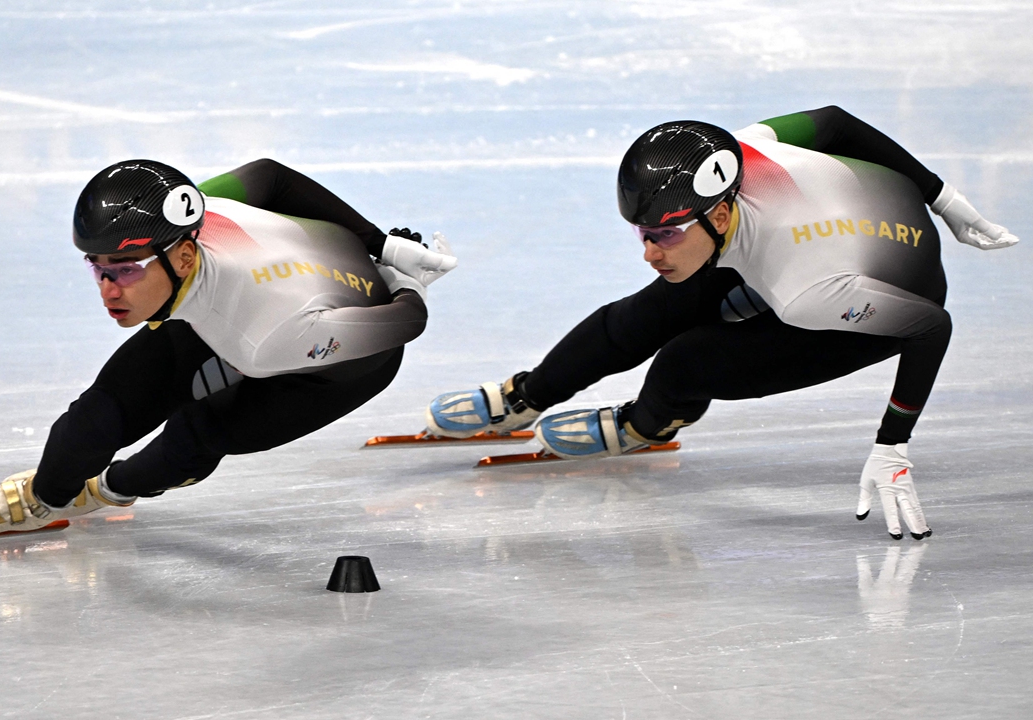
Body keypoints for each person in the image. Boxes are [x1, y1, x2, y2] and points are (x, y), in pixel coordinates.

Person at [426, 106, 1019, 540]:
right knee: (652, 308)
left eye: (663, 234)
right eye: (642, 232)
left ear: (722, 210)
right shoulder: (742, 150)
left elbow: (930, 326)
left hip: (877, 295)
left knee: (689, 360)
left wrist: (893, 444)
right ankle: (527, 397)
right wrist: (941, 197)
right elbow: (835, 122)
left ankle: (645, 425)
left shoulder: (803, 291)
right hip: (835, 229)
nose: (649, 249)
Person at [0, 158, 457, 540]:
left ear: (183, 257)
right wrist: (380, 241)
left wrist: (401, 281)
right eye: (97, 267)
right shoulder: (195, 215)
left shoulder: (265, 339)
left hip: (340, 360)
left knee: (198, 435)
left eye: (126, 269)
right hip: (252, 299)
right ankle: (43, 499)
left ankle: (110, 489)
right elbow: (271, 175)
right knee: (98, 416)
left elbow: (405, 323)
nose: (108, 288)